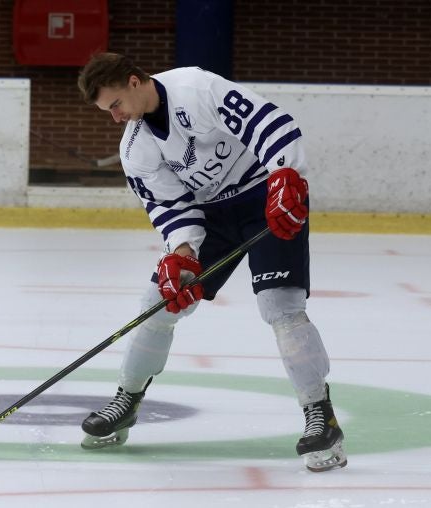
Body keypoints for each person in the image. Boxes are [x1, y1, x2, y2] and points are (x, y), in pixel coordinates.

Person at [75, 52, 346, 472]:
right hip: (211, 217)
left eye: (115, 105)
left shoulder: (195, 88)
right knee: (158, 303)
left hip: (265, 196)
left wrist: (285, 176)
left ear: (133, 82)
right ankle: (127, 399)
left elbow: (269, 124)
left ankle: (320, 417)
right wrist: (181, 252)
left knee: (281, 307)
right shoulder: (134, 148)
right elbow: (171, 207)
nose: (115, 117)